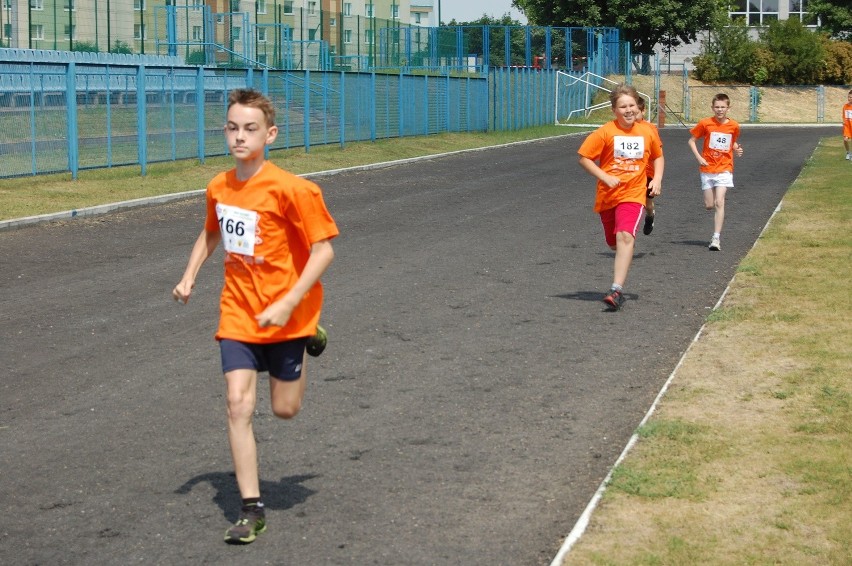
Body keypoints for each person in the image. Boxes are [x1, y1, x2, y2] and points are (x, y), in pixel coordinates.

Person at [172, 88, 339, 544]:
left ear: (270, 134)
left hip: (286, 311)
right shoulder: (219, 186)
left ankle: (309, 333)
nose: (239, 136)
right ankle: (252, 510)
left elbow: (323, 250)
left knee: (285, 410)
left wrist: (289, 304)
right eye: (232, 127)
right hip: (239, 311)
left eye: (249, 129)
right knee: (238, 404)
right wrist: (188, 277)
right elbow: (210, 234)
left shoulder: (292, 189)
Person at [578, 84, 664, 311]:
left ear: (638, 107)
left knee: (625, 236)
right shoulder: (605, 132)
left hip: (633, 193)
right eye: (622, 106)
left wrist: (657, 180)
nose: (628, 110)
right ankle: (620, 264)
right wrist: (604, 176)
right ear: (614, 110)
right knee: (613, 242)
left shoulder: (647, 131)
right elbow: (584, 157)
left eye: (632, 105)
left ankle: (616, 290)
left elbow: (658, 157)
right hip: (608, 195)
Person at [687, 93, 744, 251]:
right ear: (712, 108)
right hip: (707, 168)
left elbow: (731, 142)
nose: (720, 110)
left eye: (723, 107)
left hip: (725, 168)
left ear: (728, 108)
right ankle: (715, 231)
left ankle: (716, 238)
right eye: (717, 107)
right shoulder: (705, 123)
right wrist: (699, 157)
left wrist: (736, 149)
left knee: (720, 201)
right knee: (709, 205)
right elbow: (691, 141)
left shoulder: (734, 126)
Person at [636, 97, 662, 235]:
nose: (633, 117)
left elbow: (658, 153)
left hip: (647, 172)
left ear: (643, 111)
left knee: (647, 203)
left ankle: (650, 215)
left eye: (637, 113)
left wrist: (657, 178)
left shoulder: (650, 128)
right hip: (630, 173)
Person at [843, 89, 852, 161]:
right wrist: (844, 122)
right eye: (849, 97)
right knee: (845, 140)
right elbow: (844, 116)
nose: (849, 98)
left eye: (851, 97)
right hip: (847, 127)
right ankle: (848, 153)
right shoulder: (845, 106)